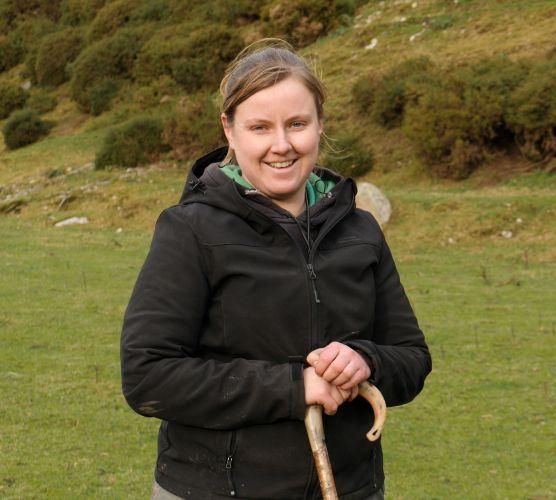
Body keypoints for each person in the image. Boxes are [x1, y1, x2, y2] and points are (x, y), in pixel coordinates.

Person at [120, 40, 431, 500]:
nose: (281, 145)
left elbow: (411, 357)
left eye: (297, 124)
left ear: (320, 124)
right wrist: (293, 386)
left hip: (349, 488)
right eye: (260, 127)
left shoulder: (361, 230)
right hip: (215, 490)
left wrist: (365, 360)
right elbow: (148, 376)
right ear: (229, 130)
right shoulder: (189, 229)